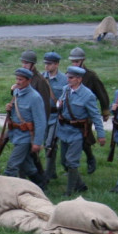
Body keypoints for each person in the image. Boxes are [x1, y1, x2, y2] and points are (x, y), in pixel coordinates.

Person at [55, 65, 107, 195]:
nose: (68, 79)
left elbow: (95, 116)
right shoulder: (66, 89)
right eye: (68, 77)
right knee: (64, 161)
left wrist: (101, 135)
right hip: (64, 130)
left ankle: (69, 191)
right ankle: (80, 185)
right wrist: (59, 105)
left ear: (79, 79)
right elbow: (60, 103)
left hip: (77, 132)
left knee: (72, 162)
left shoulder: (88, 95)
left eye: (71, 78)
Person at [68, 46, 110, 174]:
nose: (74, 63)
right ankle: (71, 166)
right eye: (73, 61)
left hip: (86, 112)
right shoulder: (70, 75)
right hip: (72, 112)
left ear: (82, 60)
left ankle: (90, 158)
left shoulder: (90, 76)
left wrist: (105, 109)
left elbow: (101, 92)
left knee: (84, 138)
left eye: (77, 61)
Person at [2, 67, 47, 184]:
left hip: (26, 137)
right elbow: (16, 114)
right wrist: (9, 109)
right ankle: (41, 185)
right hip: (16, 135)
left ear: (29, 81)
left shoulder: (35, 97)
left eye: (21, 79)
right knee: (27, 166)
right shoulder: (17, 93)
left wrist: (37, 142)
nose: (17, 82)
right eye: (17, 79)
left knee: (11, 167)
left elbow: (41, 122)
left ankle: (6, 190)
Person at [41, 51, 67, 184]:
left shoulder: (64, 80)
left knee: (50, 144)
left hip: (56, 115)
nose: (47, 66)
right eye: (45, 63)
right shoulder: (41, 77)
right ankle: (51, 171)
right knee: (43, 143)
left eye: (50, 64)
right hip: (43, 115)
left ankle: (48, 173)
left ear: (56, 64)